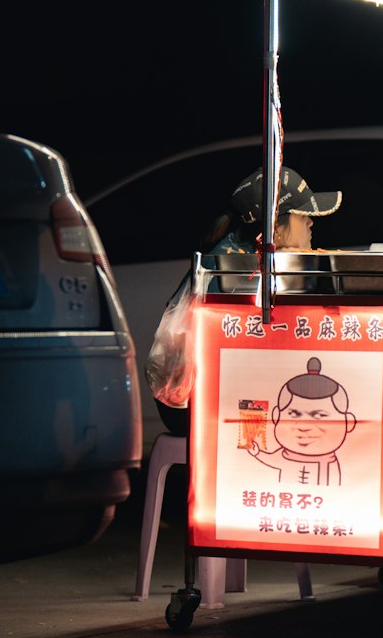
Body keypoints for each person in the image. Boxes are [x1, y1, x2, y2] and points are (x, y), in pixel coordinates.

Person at [144, 164, 342, 435]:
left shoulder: (244, 256)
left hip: (200, 402)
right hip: (194, 410)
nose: (311, 222)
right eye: (303, 215)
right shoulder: (239, 270)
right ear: (276, 229)